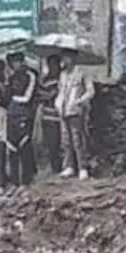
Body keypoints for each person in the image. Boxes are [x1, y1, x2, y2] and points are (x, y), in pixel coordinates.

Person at [56, 51, 95, 180]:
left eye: (65, 57)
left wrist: (80, 100)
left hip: (76, 110)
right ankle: (69, 166)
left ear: (72, 58)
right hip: (63, 109)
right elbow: (61, 90)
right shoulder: (62, 75)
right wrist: (58, 102)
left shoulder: (82, 73)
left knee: (78, 139)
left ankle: (82, 167)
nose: (63, 60)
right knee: (65, 140)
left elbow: (90, 91)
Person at [5, 51, 39, 187]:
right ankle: (15, 182)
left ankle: (27, 180)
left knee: (24, 146)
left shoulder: (30, 75)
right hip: (11, 115)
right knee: (12, 147)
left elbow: (27, 97)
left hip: (25, 114)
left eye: (16, 61)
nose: (14, 65)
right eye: (12, 63)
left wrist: (14, 98)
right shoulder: (12, 77)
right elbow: (6, 97)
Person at [38, 56, 63, 174]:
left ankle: (63, 166)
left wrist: (50, 94)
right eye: (50, 65)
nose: (52, 67)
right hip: (47, 115)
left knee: (60, 143)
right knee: (50, 143)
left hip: (60, 115)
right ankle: (54, 167)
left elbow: (54, 94)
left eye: (54, 64)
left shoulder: (62, 79)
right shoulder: (45, 80)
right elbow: (41, 95)